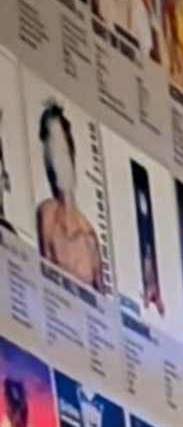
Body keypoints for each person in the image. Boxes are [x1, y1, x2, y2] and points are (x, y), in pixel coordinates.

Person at [29, 99, 106, 295]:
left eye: (60, 150)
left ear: (71, 153)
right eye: (50, 151)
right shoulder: (47, 213)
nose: (56, 161)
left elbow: (102, 299)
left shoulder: (89, 235)